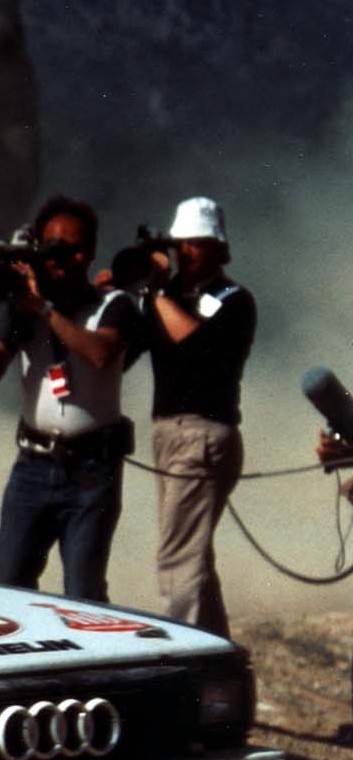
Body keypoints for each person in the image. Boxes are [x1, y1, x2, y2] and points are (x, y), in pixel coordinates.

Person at [0, 193, 149, 601]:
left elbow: (101, 354)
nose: (57, 261)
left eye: (67, 251)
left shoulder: (113, 305)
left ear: (87, 254)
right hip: (32, 465)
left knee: (84, 591)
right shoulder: (23, 308)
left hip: (91, 469)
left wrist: (45, 308)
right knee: (10, 583)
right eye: (49, 250)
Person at [145, 196, 255, 637]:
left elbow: (194, 345)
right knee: (194, 557)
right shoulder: (165, 298)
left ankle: (181, 659)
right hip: (168, 432)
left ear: (218, 248)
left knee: (178, 560)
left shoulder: (235, 300)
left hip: (203, 434)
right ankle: (215, 659)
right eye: (181, 243)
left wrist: (152, 292)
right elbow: (121, 350)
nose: (186, 252)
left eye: (198, 243)